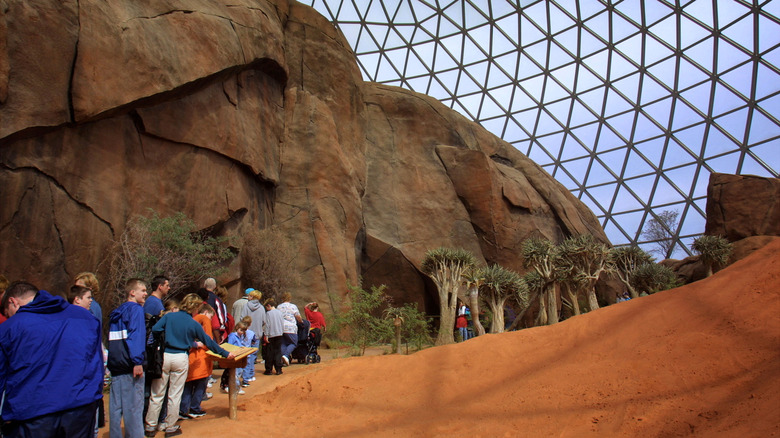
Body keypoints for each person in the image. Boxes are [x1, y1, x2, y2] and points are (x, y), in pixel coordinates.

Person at [0, 281, 103, 437]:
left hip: (32, 413)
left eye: (8, 313)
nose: (9, 318)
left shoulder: (10, 327)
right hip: (80, 408)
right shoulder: (85, 317)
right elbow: (97, 363)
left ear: (12, 302)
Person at [144, 294, 236, 438]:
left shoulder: (169, 317)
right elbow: (208, 341)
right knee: (175, 394)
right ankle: (170, 427)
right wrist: (225, 353)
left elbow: (155, 329)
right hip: (181, 357)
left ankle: (150, 427)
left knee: (157, 393)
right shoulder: (192, 323)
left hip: (165, 355)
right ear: (195, 307)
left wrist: (162, 338)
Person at [107, 279, 148, 438]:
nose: (145, 294)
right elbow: (136, 336)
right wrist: (137, 361)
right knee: (134, 409)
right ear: (132, 292)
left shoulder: (117, 312)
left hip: (116, 366)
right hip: (130, 366)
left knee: (116, 409)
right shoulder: (136, 310)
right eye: (142, 290)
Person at [179, 301, 215, 420]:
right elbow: (208, 338)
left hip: (190, 356)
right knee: (200, 384)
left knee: (188, 384)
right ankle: (195, 408)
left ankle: (183, 409)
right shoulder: (204, 319)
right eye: (211, 316)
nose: (210, 319)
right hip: (200, 358)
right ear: (206, 312)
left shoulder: (191, 319)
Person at [225, 318, 256, 392]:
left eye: (244, 331)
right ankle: (236, 388)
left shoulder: (239, 337)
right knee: (236, 374)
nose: (242, 332)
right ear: (237, 328)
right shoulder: (232, 336)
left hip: (238, 357)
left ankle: (233, 387)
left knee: (239, 372)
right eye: (241, 330)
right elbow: (229, 346)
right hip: (233, 357)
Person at [241, 289, 265, 370]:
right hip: (257, 334)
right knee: (253, 354)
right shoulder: (261, 308)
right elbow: (264, 321)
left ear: (253, 297)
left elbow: (242, 318)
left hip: (246, 333)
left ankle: (245, 371)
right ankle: (250, 372)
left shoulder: (246, 306)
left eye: (250, 295)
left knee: (245, 353)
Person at [277, 292, 302, 366]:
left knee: (283, 343)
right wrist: (301, 321)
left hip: (281, 328)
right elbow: (298, 316)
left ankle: (284, 359)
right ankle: (286, 355)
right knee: (293, 343)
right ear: (290, 298)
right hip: (291, 328)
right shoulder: (293, 306)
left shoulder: (279, 307)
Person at [262, 299, 284, 376]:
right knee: (278, 352)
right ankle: (279, 369)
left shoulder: (268, 314)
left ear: (268, 306)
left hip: (271, 335)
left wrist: (266, 335)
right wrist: (281, 332)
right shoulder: (280, 313)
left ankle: (269, 369)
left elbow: (267, 325)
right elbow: (282, 323)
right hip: (279, 334)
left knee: (270, 353)